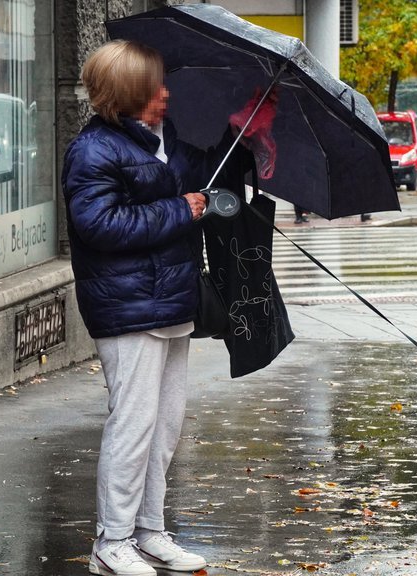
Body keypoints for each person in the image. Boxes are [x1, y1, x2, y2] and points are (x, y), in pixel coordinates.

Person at [64, 40, 275, 576]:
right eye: (154, 86)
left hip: (174, 300)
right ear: (127, 93)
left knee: (165, 426)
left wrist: (242, 136)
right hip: (127, 308)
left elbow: (207, 173)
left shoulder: (166, 137)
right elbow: (99, 227)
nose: (166, 93)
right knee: (132, 425)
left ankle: (149, 531)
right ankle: (110, 542)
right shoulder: (94, 150)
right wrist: (180, 209)